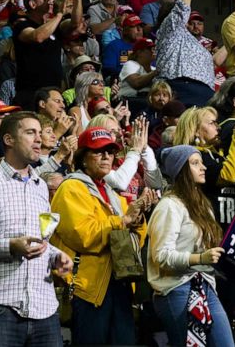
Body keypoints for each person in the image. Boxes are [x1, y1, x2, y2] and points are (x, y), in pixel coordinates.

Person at [0, 111, 74, 347]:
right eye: (30, 132)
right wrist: (9, 246)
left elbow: (39, 242)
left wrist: (56, 255)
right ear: (8, 140)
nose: (39, 139)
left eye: (40, 133)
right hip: (0, 307)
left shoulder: (41, 186)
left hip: (44, 308)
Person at [50, 126, 153, 345]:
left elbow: (133, 240)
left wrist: (138, 219)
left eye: (110, 151)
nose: (106, 156)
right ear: (83, 158)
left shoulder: (111, 191)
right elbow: (84, 236)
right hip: (88, 287)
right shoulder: (71, 188)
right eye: (98, 151)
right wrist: (123, 221)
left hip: (118, 282)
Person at [148, 145, 234, 347]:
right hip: (176, 288)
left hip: (205, 284)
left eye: (201, 162)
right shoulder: (169, 206)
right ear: (181, 170)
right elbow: (160, 256)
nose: (203, 167)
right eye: (195, 163)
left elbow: (213, 254)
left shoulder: (202, 205)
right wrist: (200, 258)